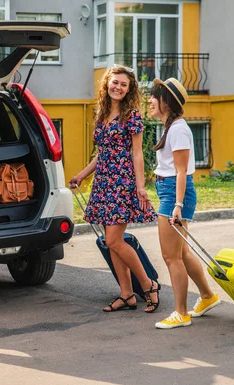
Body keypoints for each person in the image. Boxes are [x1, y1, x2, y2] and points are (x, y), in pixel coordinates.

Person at [70, 65, 159, 313]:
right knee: (112, 242)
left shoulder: (132, 115)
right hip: (103, 183)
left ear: (129, 90)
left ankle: (148, 284)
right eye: (115, 82)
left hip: (122, 183)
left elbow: (138, 153)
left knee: (113, 240)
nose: (118, 87)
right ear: (107, 83)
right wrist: (82, 175)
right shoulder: (103, 113)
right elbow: (103, 154)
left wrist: (140, 187)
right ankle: (126, 294)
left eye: (123, 84)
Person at [148, 78, 220, 329]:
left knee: (171, 257)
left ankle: (181, 313)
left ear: (166, 102)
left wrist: (177, 205)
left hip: (174, 193)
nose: (149, 100)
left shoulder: (177, 129)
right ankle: (208, 297)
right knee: (182, 253)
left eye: (154, 97)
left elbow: (181, 171)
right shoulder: (172, 126)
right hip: (171, 190)